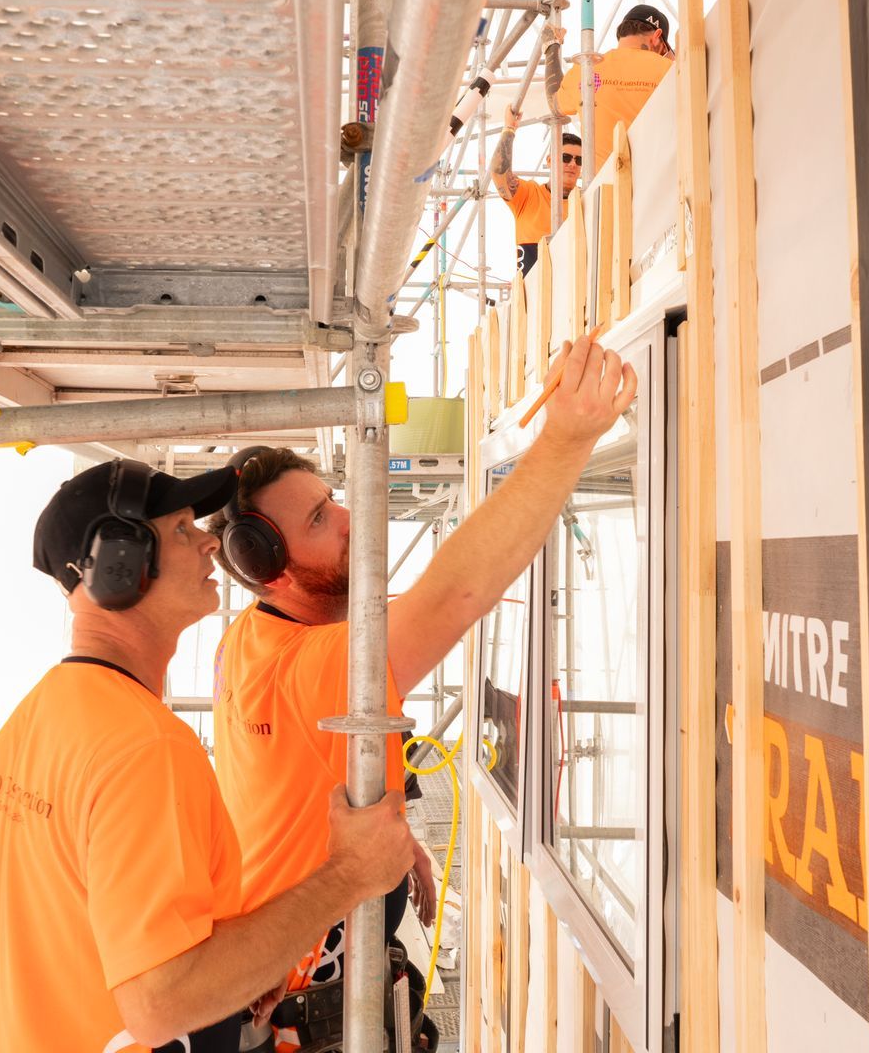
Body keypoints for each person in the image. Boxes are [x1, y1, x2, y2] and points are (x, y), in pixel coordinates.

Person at [205, 334, 636, 1023]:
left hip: (319, 975)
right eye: (320, 519)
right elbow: (458, 593)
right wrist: (566, 437)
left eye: (332, 500)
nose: (351, 521)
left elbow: (311, 770)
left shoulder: (251, 641)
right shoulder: (304, 668)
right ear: (271, 569)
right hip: (307, 998)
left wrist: (403, 843)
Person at [0, 459, 415, 1053]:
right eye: (182, 529)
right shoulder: (141, 746)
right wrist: (348, 874)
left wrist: (237, 968)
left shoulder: (39, 719)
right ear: (118, 567)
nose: (211, 543)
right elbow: (161, 1005)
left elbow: (84, 921)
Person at [557, 3, 675, 174]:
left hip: (604, 190)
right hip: (655, 182)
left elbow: (555, 104)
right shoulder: (669, 70)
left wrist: (552, 46)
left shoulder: (585, 69)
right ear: (657, 36)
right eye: (663, 49)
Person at [491, 106, 581, 278]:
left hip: (575, 296)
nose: (572, 164)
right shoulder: (529, 195)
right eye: (566, 157)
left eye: (579, 160)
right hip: (534, 299)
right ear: (549, 160)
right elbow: (498, 173)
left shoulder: (586, 201)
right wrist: (509, 129)